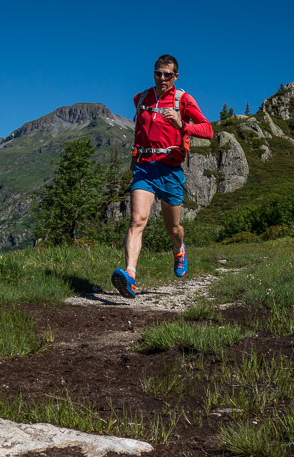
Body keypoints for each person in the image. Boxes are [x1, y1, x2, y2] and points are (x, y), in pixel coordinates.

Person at [112, 54, 213, 299]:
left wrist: (182, 125)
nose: (162, 78)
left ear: (175, 76)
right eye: (158, 73)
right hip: (145, 167)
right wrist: (133, 162)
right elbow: (138, 131)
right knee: (137, 220)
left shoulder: (183, 100)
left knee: (173, 227)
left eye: (168, 74)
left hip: (170, 168)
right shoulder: (141, 98)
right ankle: (130, 276)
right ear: (154, 73)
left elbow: (208, 130)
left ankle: (179, 249)